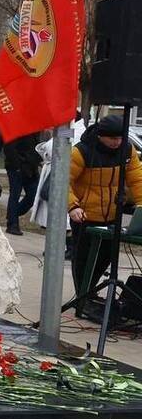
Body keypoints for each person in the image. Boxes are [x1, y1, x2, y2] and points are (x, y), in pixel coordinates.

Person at [67, 115, 142, 317]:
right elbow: (64, 181)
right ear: (101, 136)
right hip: (85, 216)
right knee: (83, 259)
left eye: (120, 138)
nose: (117, 142)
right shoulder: (81, 152)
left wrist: (141, 204)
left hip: (112, 216)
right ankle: (83, 296)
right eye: (112, 139)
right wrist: (72, 206)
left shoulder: (127, 150)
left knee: (106, 256)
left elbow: (137, 179)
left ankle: (90, 291)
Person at [3, 131, 42, 236]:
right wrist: (17, 165)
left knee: (33, 195)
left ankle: (13, 214)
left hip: (31, 168)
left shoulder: (35, 130)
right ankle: (12, 224)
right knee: (15, 194)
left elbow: (34, 148)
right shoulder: (16, 128)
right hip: (17, 168)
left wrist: (37, 160)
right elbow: (9, 148)